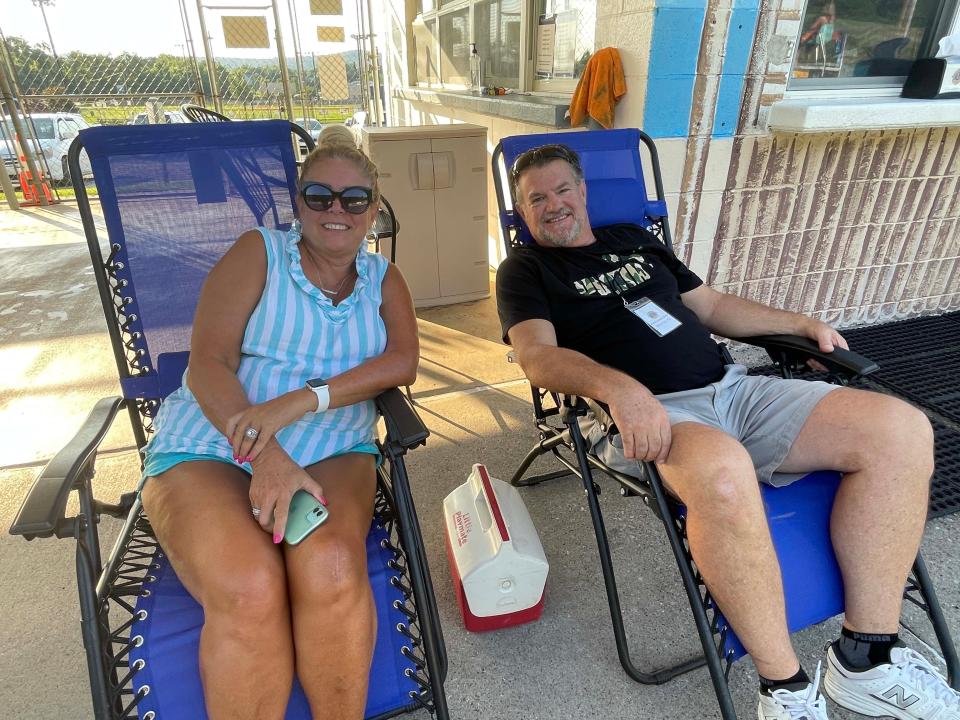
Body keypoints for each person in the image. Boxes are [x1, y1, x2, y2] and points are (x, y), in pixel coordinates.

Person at [496, 143, 960, 720]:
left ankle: (866, 659)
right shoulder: (524, 269)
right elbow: (537, 356)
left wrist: (799, 324)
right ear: (521, 211)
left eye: (562, 189)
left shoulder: (635, 240)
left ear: (583, 192)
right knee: (722, 474)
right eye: (536, 199)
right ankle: (783, 689)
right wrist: (621, 390)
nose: (553, 205)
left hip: (736, 389)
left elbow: (711, 306)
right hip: (652, 415)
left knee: (902, 430)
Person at [139, 131, 417, 719]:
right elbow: (206, 361)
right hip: (212, 442)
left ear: (374, 210)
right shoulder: (258, 252)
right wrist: (264, 455)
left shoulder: (384, 280)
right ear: (298, 202)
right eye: (319, 196)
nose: (336, 210)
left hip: (332, 445)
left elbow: (401, 362)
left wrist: (299, 403)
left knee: (332, 568)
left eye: (354, 199)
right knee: (248, 587)